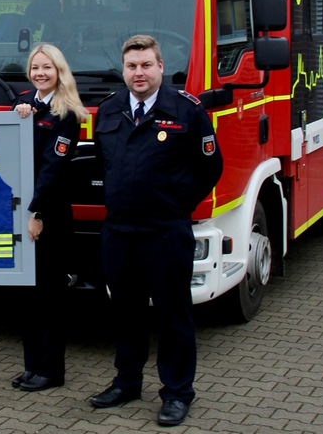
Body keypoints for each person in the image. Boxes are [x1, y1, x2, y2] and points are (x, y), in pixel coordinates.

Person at [89, 35, 223, 426]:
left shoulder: (186, 110)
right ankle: (127, 381)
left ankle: (178, 392)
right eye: (132, 66)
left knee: (172, 314)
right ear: (124, 70)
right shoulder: (110, 109)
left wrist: (177, 204)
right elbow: (104, 163)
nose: (139, 73)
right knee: (126, 312)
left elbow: (209, 167)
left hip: (165, 231)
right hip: (120, 231)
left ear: (161, 67)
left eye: (146, 65)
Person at [11, 44, 88, 392]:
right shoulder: (26, 102)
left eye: (48, 68)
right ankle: (32, 366)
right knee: (27, 295)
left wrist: (36, 213)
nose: (41, 73)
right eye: (35, 67)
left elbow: (52, 168)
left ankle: (51, 370)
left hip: (48, 213)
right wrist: (17, 115)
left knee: (50, 295)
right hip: (22, 212)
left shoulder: (66, 112)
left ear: (60, 71)